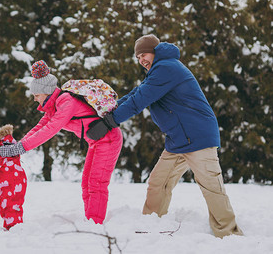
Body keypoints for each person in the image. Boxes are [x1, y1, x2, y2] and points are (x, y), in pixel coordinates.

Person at [87, 34, 243, 238]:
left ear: (155, 51)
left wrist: (109, 122)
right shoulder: (157, 72)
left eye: (144, 54)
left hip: (198, 136)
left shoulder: (167, 67)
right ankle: (152, 224)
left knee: (211, 186)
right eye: (138, 57)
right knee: (158, 182)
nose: (142, 60)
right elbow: (135, 94)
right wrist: (109, 110)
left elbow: (139, 101)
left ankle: (229, 235)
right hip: (179, 139)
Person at [0, 60, 123, 224]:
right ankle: (91, 220)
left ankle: (95, 224)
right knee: (86, 183)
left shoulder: (65, 101)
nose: (35, 100)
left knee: (96, 183)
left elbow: (51, 129)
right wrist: (17, 145)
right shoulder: (53, 106)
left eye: (36, 96)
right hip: (97, 142)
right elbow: (39, 128)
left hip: (109, 140)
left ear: (45, 92)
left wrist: (21, 148)